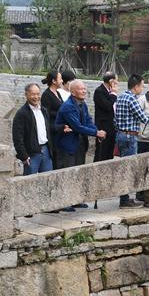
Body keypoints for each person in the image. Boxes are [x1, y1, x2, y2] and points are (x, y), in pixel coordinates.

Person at [115, 74, 149, 208]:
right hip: (130, 137)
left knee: (125, 167)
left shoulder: (121, 96)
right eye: (142, 85)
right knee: (128, 168)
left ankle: (125, 197)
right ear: (137, 86)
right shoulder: (132, 99)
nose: (142, 88)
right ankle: (124, 200)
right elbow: (143, 118)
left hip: (121, 135)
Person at [54, 80, 105, 211]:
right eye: (81, 89)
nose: (84, 91)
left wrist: (96, 131)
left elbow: (88, 121)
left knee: (78, 172)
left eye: (84, 88)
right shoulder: (68, 106)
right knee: (68, 173)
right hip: (67, 146)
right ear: (72, 92)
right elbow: (77, 126)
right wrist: (96, 132)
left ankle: (75, 199)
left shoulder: (83, 104)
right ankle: (64, 203)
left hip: (80, 145)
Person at [12, 83, 53, 176]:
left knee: (48, 180)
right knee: (29, 182)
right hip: (31, 154)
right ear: (26, 95)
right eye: (33, 94)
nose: (36, 97)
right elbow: (17, 138)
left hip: (46, 151)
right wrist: (24, 156)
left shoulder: (44, 110)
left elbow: (48, 130)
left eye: (38, 94)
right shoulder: (21, 114)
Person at [40, 70, 65, 167]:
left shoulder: (57, 93)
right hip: (53, 128)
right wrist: (60, 113)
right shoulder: (47, 95)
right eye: (60, 79)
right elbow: (46, 112)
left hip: (59, 127)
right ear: (54, 81)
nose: (62, 81)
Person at [93, 72, 118, 161]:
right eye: (116, 81)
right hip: (103, 127)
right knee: (101, 152)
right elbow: (107, 106)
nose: (117, 83)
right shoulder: (99, 91)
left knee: (109, 152)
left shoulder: (109, 91)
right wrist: (114, 94)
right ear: (111, 81)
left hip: (111, 126)